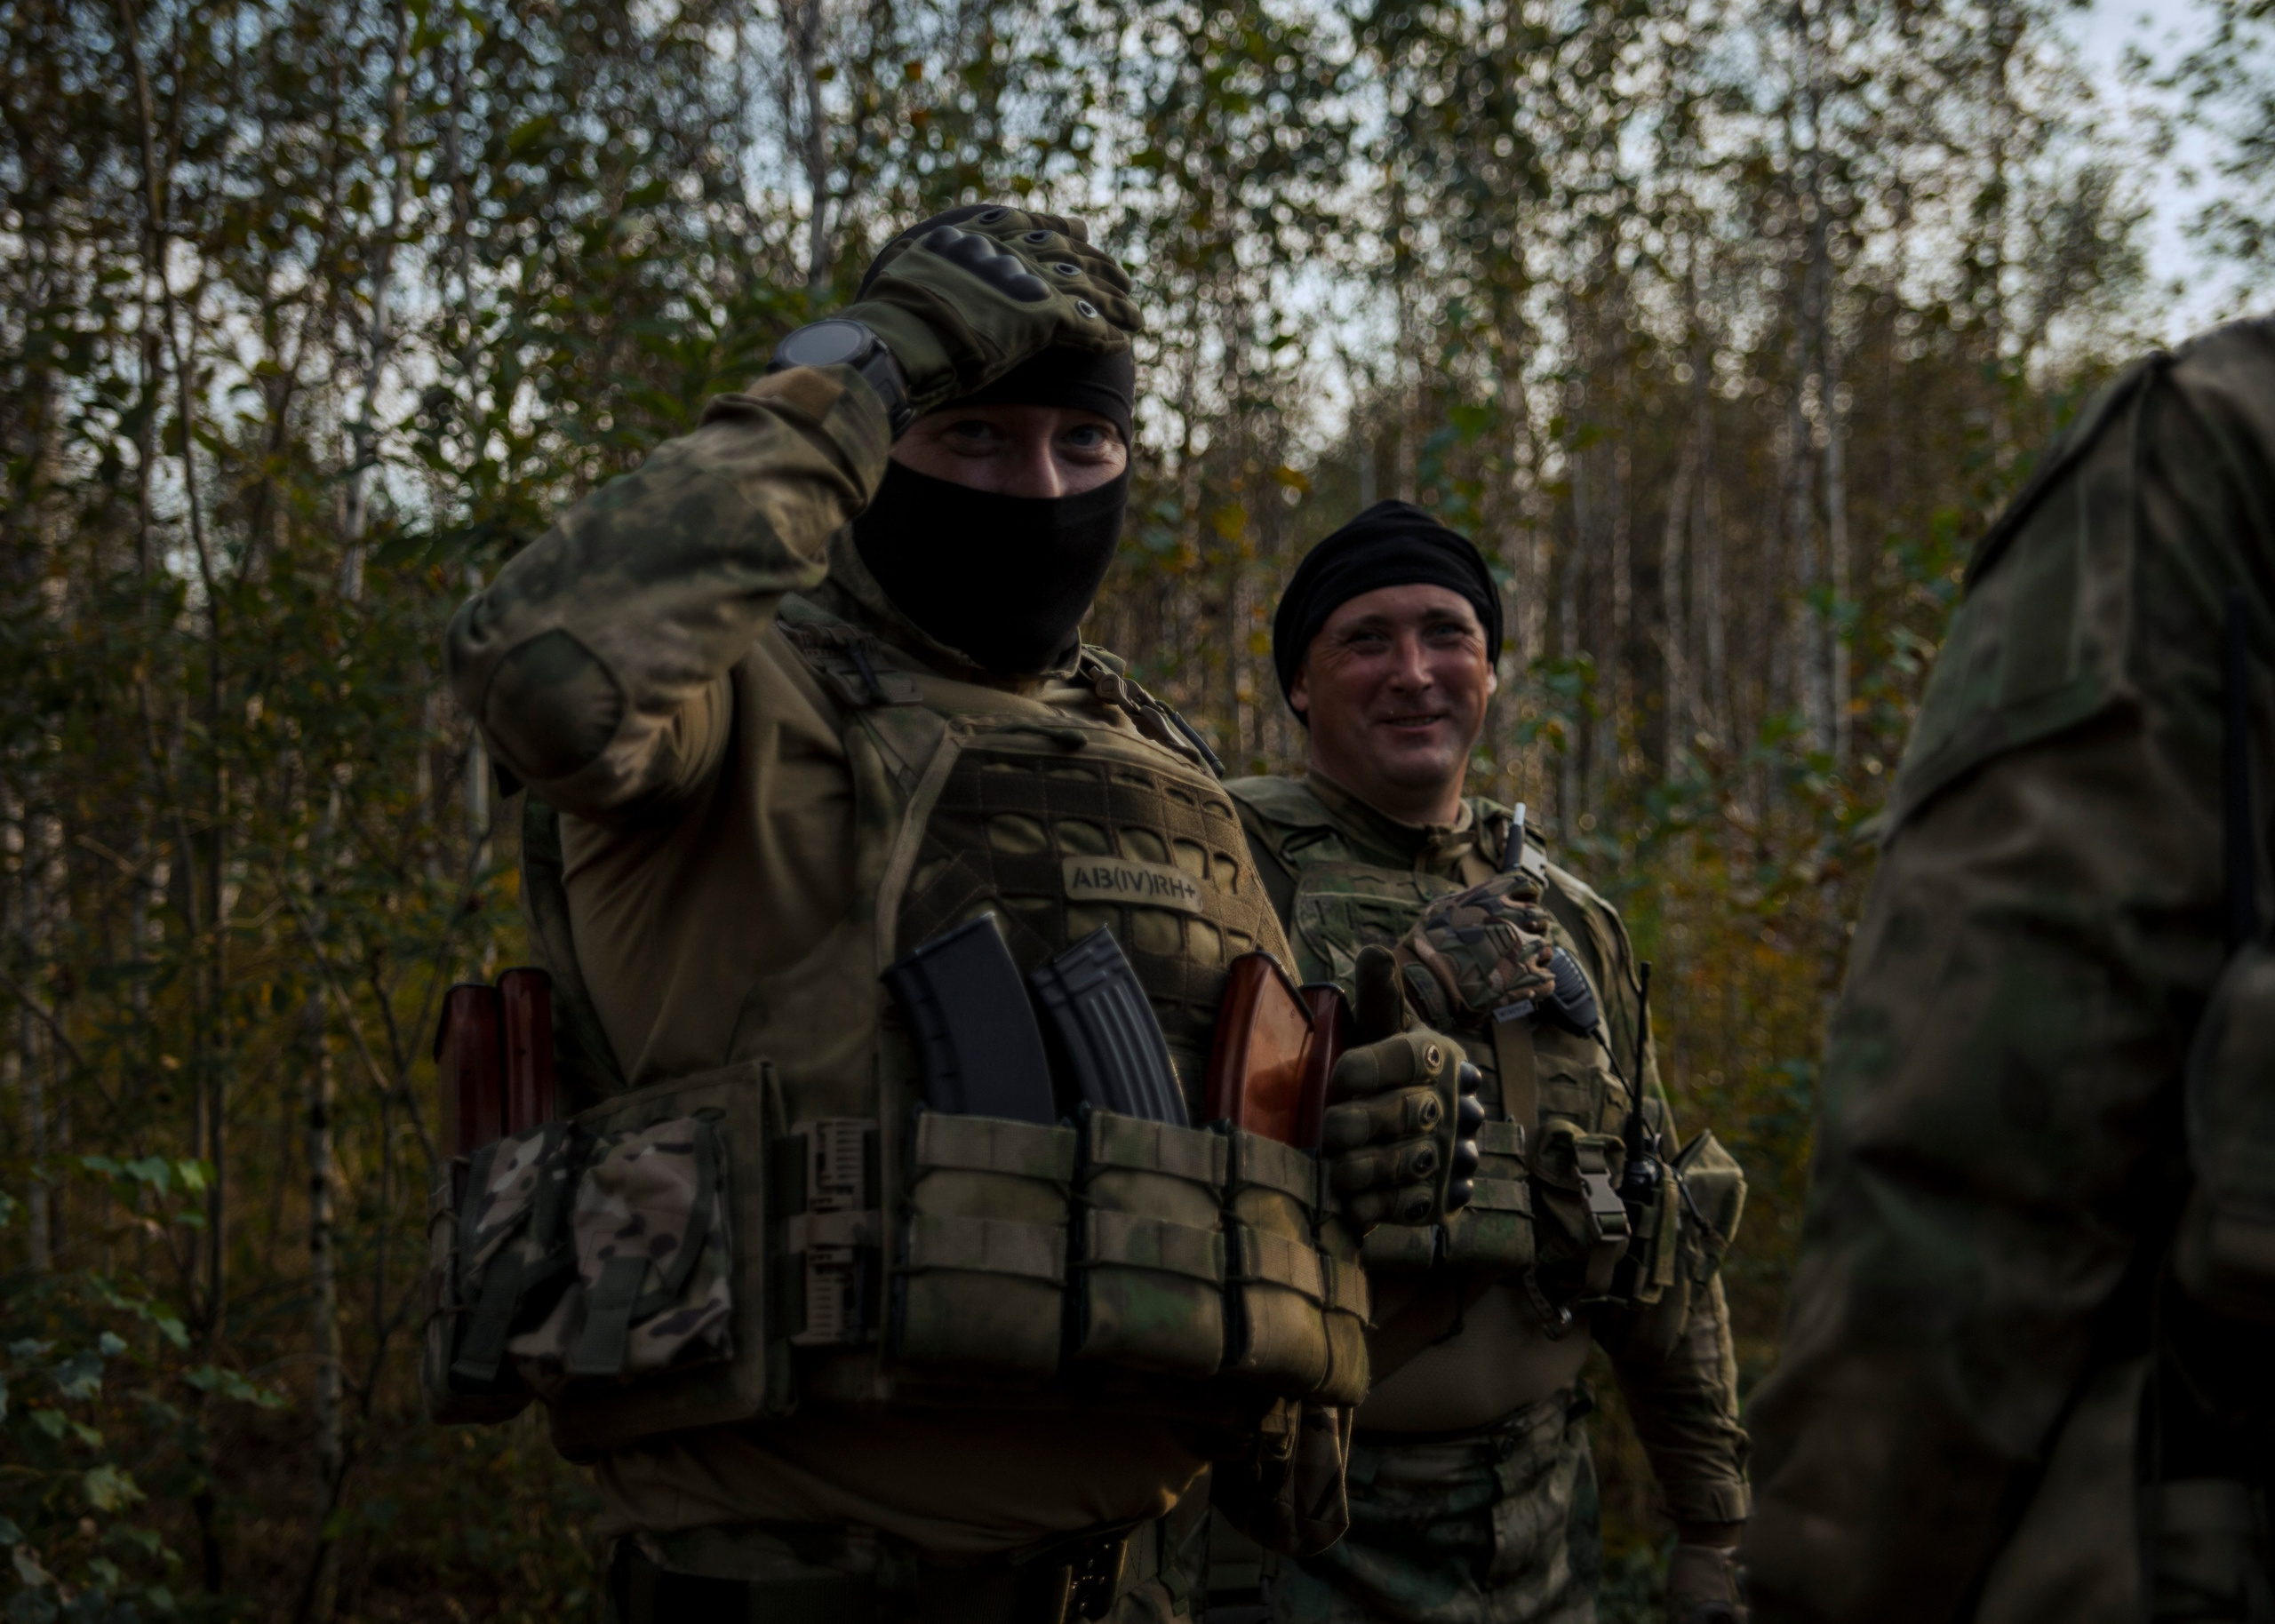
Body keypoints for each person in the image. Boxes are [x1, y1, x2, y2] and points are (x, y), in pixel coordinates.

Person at [437, 208, 1477, 1624]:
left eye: (1082, 444)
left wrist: (1358, 1147)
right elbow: (546, 672)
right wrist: (860, 363)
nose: (1038, 489)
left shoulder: (1160, 757)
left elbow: (1226, 1160)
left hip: (1136, 1586)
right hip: (793, 1582)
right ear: (880, 449)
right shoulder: (735, 703)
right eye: (974, 437)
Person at [1743, 316, 2275, 1622]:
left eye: (1448, 632)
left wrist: (1815, 1579)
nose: (1418, 672)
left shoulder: (2212, 450)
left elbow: (1981, 1137)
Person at [1219, 501, 1752, 1624]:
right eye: (1365, 639)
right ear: (1302, 684)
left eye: (1445, 634)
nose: (1413, 671)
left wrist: (1711, 1519)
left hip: (1542, 1519)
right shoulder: (1224, 869)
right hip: (1296, 1531)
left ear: (1491, 672)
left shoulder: (1571, 917)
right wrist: (1396, 994)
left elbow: (1657, 1235)